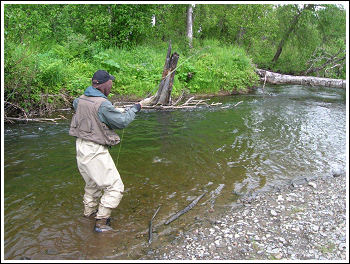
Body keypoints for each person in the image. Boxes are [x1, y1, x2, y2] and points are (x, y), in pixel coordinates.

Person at [69, 70, 142, 233]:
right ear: (102, 85)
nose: (111, 85)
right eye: (110, 82)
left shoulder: (79, 100)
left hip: (80, 147)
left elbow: (93, 113)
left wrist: (111, 112)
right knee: (115, 187)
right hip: (94, 150)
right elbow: (122, 121)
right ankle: (101, 223)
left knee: (92, 184)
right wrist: (136, 108)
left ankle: (88, 215)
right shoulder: (102, 104)